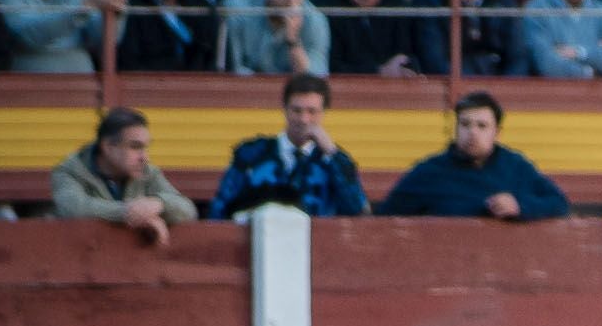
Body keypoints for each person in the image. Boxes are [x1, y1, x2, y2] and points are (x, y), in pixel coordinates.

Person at [377, 92, 571, 219]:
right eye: (465, 124)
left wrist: (520, 206)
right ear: (456, 128)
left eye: (482, 126)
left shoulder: (515, 166)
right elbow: (385, 218)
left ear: (497, 133)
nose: (472, 133)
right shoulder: (430, 172)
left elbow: (559, 203)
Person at [208, 73, 368, 218]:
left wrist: (332, 154)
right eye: (297, 110)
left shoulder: (334, 161)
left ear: (323, 113)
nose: (304, 119)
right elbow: (221, 208)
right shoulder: (252, 154)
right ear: (284, 109)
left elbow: (356, 209)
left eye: (312, 111)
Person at [50, 105, 196, 243]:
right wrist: (133, 213)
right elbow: (74, 209)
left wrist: (159, 204)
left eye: (146, 147)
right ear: (108, 147)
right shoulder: (69, 171)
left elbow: (188, 209)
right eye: (135, 147)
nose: (145, 157)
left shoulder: (148, 172)